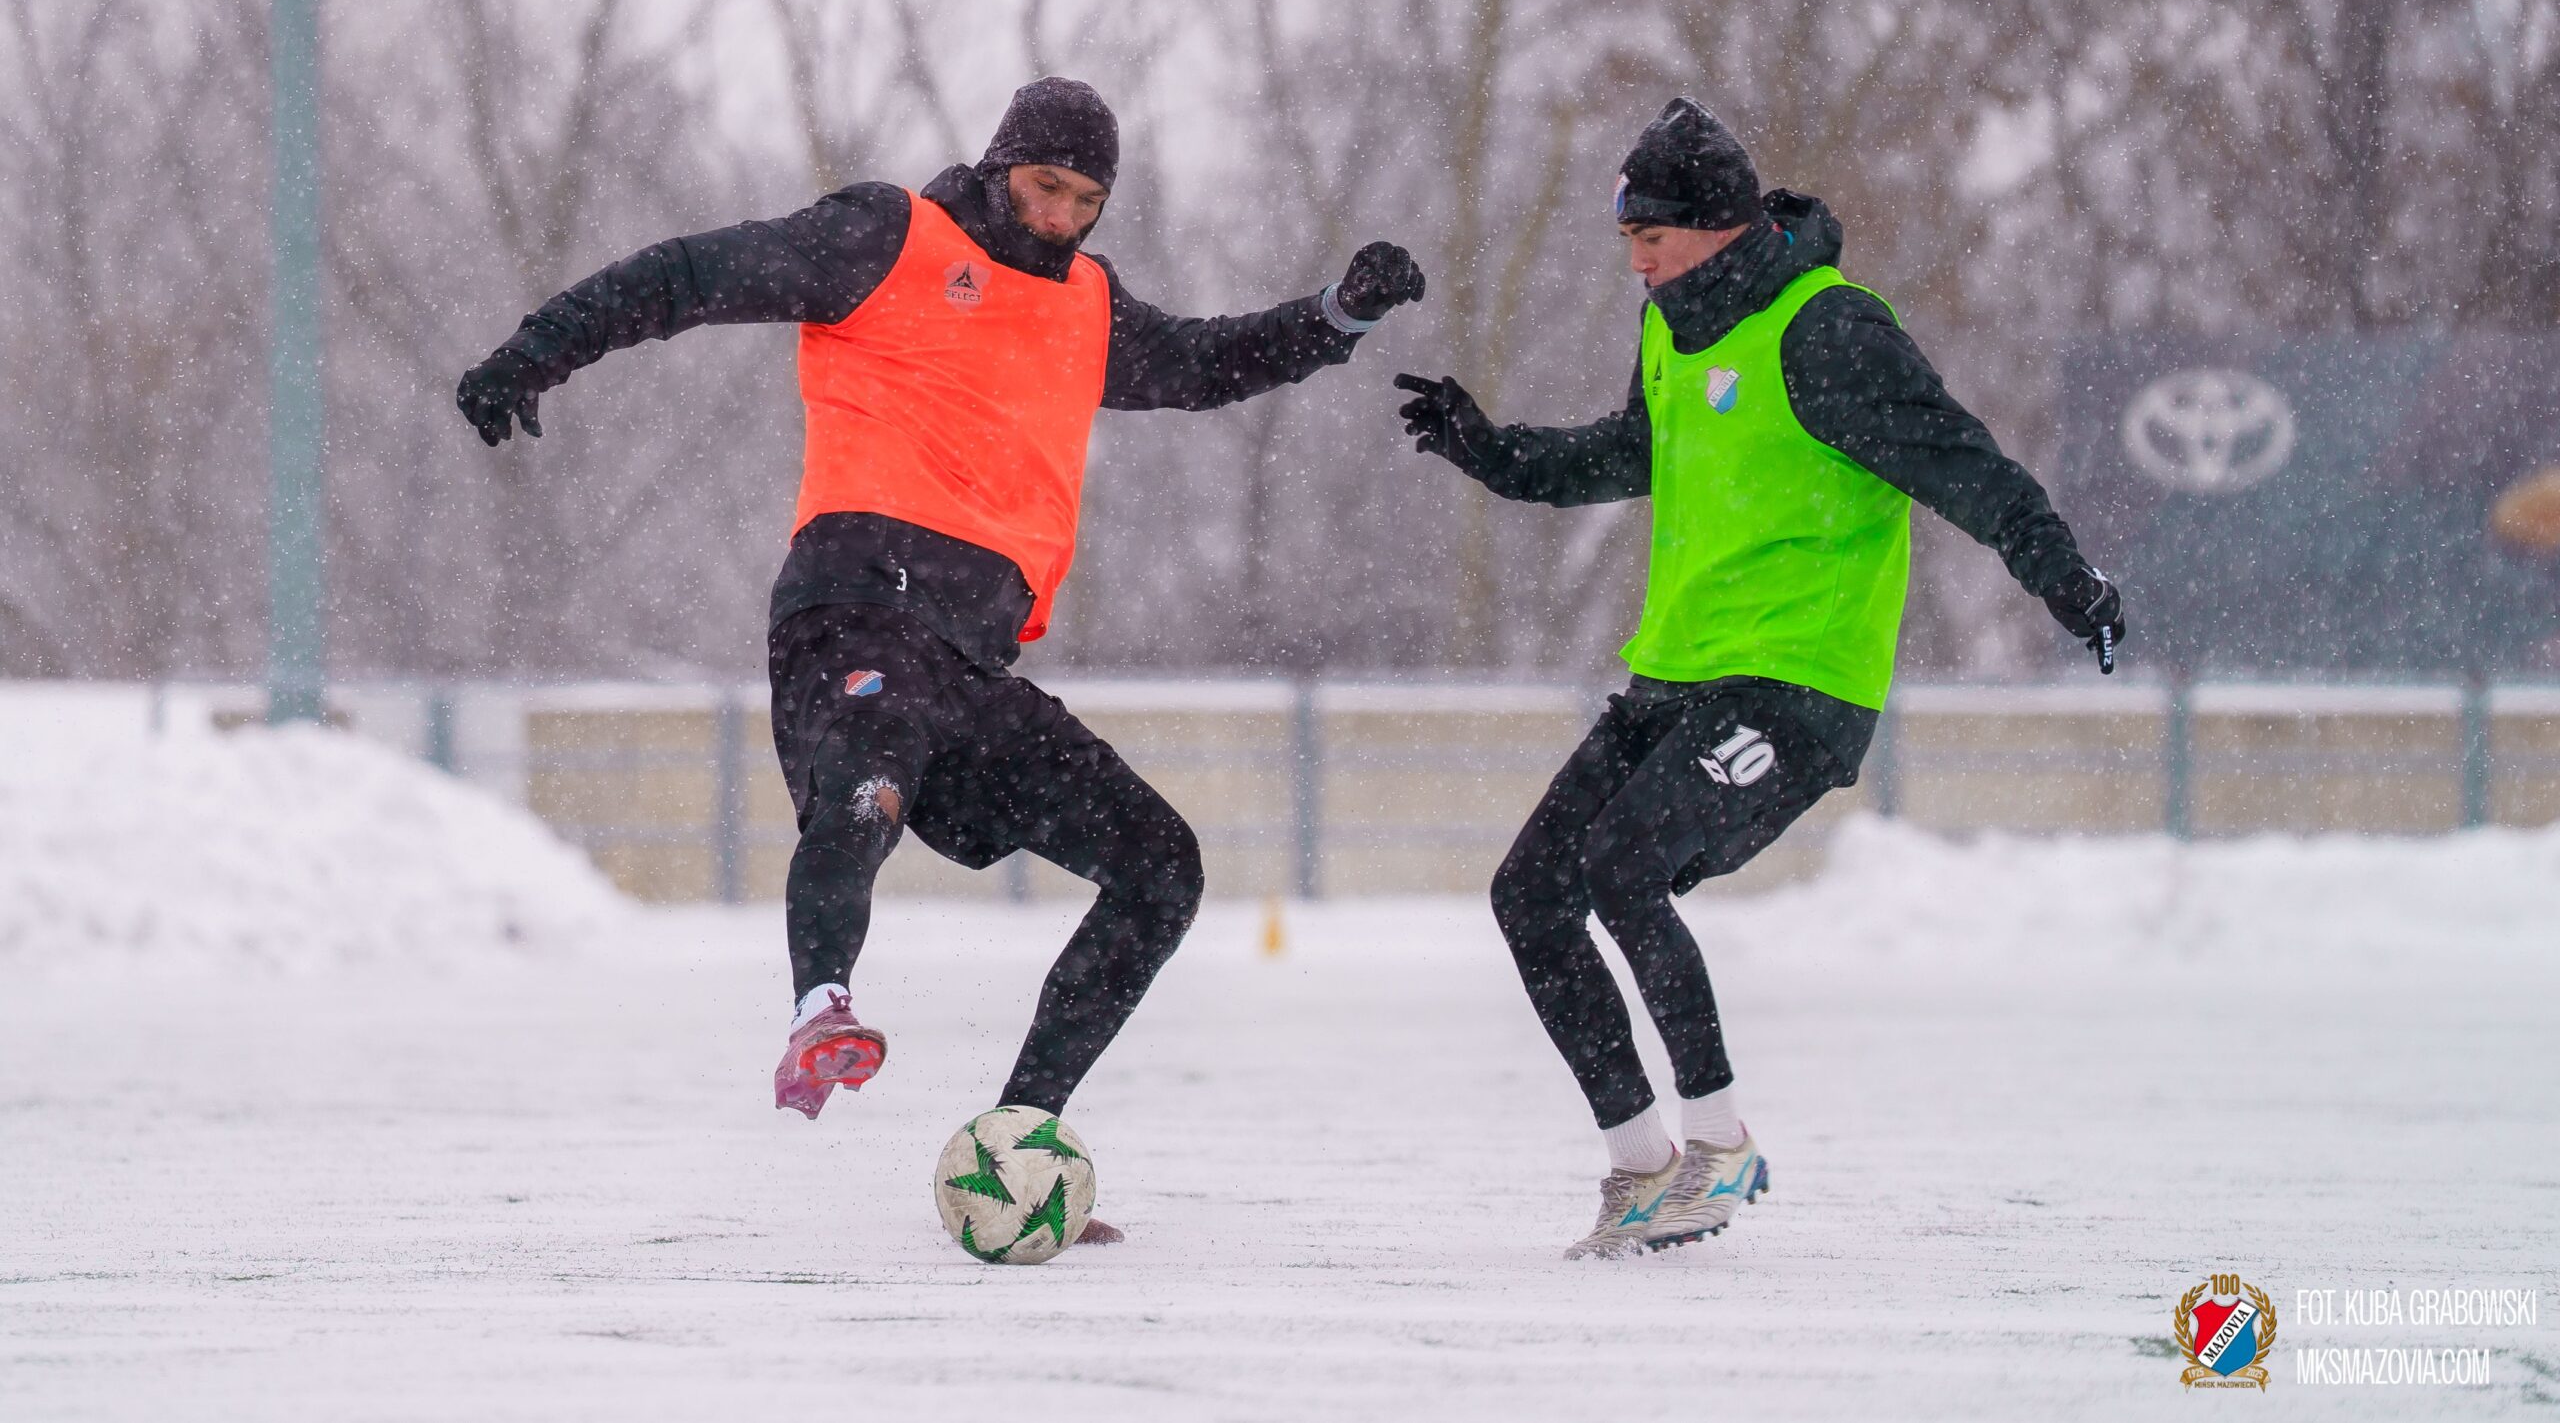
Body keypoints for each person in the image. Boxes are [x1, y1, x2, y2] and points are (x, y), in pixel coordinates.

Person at [457, 78, 1424, 1239]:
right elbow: (687, 275)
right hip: (854, 609)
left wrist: (1338, 315)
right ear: (998, 162)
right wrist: (534, 352)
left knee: (1162, 863)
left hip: (972, 657)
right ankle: (822, 1007)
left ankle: (1018, 1139)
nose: (1060, 214)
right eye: (1042, 185)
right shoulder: (887, 237)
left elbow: (1211, 361)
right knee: (869, 781)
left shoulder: (1089, 307)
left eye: (1085, 198)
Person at [1394, 98, 2122, 1259]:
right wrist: (1490, 448)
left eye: (1656, 237)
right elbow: (1626, 454)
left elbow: (1965, 465)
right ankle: (1642, 1170)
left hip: (1796, 687)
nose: (1636, 259)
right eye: (1626, 236)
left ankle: (1719, 1143)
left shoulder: (1825, 329)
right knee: (1530, 893)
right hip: (1674, 676)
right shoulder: (1671, 330)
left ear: (1725, 228)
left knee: (1623, 863)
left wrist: (2063, 574)